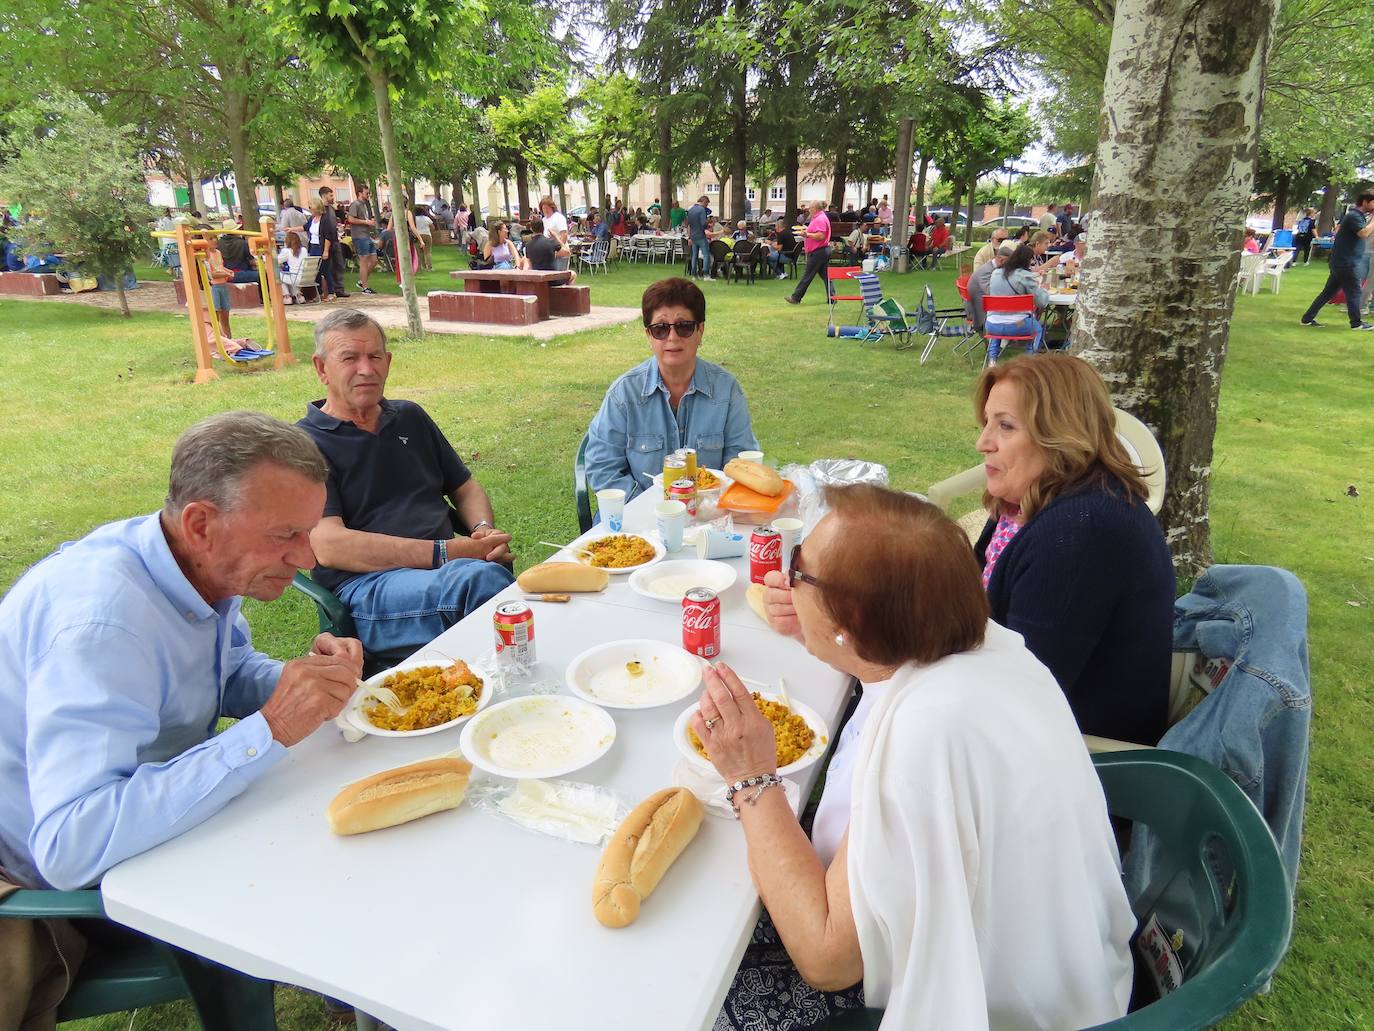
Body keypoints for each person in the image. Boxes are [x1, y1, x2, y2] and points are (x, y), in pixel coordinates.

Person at [710, 485, 1134, 1030]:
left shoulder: (926, 736)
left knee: (697, 983)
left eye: (799, 568)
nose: (786, 581)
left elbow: (827, 958)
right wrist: (828, 638)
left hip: (999, 1008)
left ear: (854, 617)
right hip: (1075, 963)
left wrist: (750, 776)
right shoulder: (990, 647)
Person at [0, 410, 361, 893]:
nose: (307, 558)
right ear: (200, 525)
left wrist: (308, 685)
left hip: (164, 810)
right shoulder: (101, 626)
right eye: (283, 536)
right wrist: (272, 728)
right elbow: (70, 845)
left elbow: (221, 670)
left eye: (307, 531)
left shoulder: (191, 558)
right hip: (82, 877)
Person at [970, 355, 1175, 742]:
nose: (983, 443)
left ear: (1060, 434)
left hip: (1085, 756)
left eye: (1006, 426)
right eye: (987, 423)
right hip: (1023, 713)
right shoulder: (1027, 502)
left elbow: (1022, 693)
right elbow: (968, 589)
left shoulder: (1081, 533)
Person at [297, 309, 515, 664]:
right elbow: (329, 545)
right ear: (321, 368)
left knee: (486, 578)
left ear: (389, 361)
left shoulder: (409, 416)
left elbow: (465, 487)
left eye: (375, 356)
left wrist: (482, 531)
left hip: (452, 573)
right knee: (481, 584)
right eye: (349, 358)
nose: (366, 369)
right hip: (366, 591)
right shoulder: (305, 443)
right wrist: (446, 554)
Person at [585, 278, 758, 500]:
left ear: (700, 331)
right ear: (649, 336)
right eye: (660, 329)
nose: (672, 338)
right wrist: (651, 508)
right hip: (636, 512)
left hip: (708, 512)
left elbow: (741, 465)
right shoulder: (624, 394)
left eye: (684, 327)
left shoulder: (727, 390)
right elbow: (602, 467)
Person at [1300, 191, 1374, 330]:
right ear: (1365, 202)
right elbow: (1363, 233)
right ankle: (1356, 323)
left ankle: (1307, 319)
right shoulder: (1353, 216)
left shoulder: (1356, 216)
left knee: (1328, 293)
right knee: (1355, 292)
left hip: (1341, 261)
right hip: (1347, 262)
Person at [985, 243, 1049, 363]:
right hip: (1017, 325)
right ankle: (1028, 360)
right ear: (1026, 260)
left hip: (992, 324)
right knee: (1038, 329)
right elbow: (1042, 302)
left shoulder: (995, 274)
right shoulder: (1024, 276)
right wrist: (1043, 289)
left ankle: (992, 360)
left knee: (998, 319)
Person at [785, 200, 831, 305]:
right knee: (826, 276)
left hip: (818, 251)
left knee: (808, 275)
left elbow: (820, 236)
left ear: (815, 209)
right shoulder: (820, 217)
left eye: (810, 208)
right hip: (822, 250)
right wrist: (807, 231)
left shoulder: (819, 219)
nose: (808, 210)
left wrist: (807, 234)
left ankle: (796, 297)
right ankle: (832, 297)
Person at [967, 241, 1013, 332]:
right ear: (1001, 260)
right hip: (982, 308)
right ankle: (1007, 336)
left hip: (987, 304)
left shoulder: (992, 267)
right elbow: (990, 291)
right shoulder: (987, 271)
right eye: (1009, 263)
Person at [520, 216, 577, 283]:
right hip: (552, 279)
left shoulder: (528, 245)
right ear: (543, 228)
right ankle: (567, 293)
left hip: (538, 280)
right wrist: (556, 238)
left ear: (532, 229)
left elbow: (529, 265)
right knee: (573, 274)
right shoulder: (551, 242)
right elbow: (568, 253)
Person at [317, 187, 349, 298]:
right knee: (329, 267)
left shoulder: (331, 209)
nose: (333, 197)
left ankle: (339, 288)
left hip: (335, 240)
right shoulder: (321, 210)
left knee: (338, 265)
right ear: (324, 195)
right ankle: (331, 289)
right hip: (326, 242)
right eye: (330, 195)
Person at [347, 185, 379, 293]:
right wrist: (365, 222)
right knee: (364, 261)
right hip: (359, 236)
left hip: (366, 235)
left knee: (374, 260)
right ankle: (365, 287)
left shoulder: (365, 205)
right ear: (360, 193)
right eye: (366, 192)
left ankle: (362, 281)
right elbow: (350, 219)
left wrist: (370, 224)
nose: (368, 194)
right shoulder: (355, 204)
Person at [203, 234, 235, 338]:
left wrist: (227, 271)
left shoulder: (218, 252)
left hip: (223, 285)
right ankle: (216, 339)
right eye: (210, 239)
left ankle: (230, 340)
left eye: (215, 238)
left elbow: (220, 267)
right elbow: (211, 274)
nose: (215, 240)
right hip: (214, 286)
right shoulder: (205, 255)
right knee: (215, 316)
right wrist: (225, 274)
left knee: (225, 315)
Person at [306, 197, 336, 301]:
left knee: (325, 270)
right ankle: (319, 293)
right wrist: (292, 229)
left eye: (311, 207)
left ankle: (332, 292)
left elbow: (328, 236)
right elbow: (305, 227)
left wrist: (326, 251)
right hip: (313, 247)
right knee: (316, 271)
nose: (310, 209)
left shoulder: (325, 220)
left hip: (321, 247)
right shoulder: (311, 219)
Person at [217, 220, 259, 284]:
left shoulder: (219, 243)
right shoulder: (242, 243)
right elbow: (252, 262)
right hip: (239, 273)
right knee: (262, 274)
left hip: (225, 273)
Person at [539, 196, 570, 272]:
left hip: (560, 252)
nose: (545, 210)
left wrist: (559, 249)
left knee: (560, 275)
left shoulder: (558, 217)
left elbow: (564, 234)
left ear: (552, 207)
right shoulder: (543, 220)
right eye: (543, 208)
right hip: (549, 253)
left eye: (547, 208)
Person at [685, 195, 713, 278]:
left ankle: (694, 274)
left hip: (693, 236)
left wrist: (689, 236)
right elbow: (703, 223)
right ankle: (706, 274)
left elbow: (688, 224)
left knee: (694, 255)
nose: (706, 206)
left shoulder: (691, 210)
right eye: (707, 204)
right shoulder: (702, 210)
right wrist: (708, 224)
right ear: (704, 201)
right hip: (700, 235)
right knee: (706, 255)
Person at [278, 230, 308, 304]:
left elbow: (276, 261)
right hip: (306, 278)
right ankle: (299, 296)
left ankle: (286, 297)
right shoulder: (304, 250)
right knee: (290, 275)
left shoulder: (286, 251)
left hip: (295, 278)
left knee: (276, 274)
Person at [413, 206, 434, 271]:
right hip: (427, 235)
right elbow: (432, 227)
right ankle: (429, 267)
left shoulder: (414, 219)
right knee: (427, 252)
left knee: (420, 252)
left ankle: (423, 266)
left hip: (417, 235)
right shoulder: (426, 218)